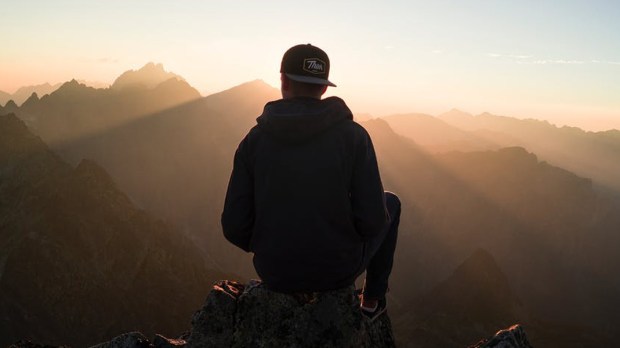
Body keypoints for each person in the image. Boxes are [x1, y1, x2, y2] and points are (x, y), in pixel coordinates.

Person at [222, 43, 400, 321]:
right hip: (337, 271)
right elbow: (373, 221)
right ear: (325, 88)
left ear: (283, 80)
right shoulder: (354, 138)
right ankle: (371, 301)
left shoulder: (254, 140)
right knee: (392, 202)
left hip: (274, 270)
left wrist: (272, 245)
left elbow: (234, 226)